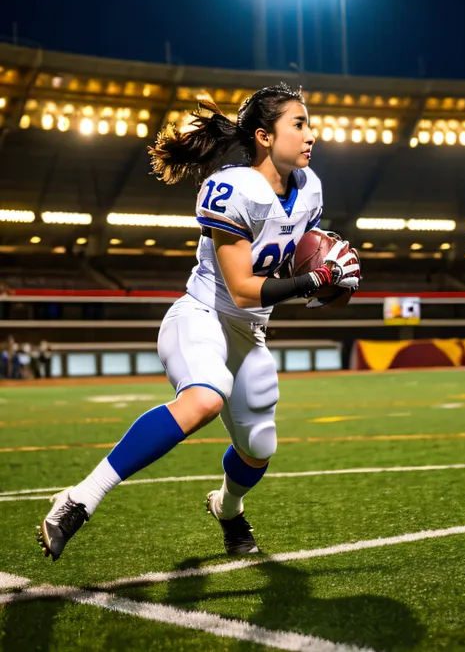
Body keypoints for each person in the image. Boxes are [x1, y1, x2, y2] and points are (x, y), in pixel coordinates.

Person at [37, 83, 360, 561]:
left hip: (249, 333)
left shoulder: (309, 189)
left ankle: (227, 510)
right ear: (264, 136)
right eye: (299, 124)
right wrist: (314, 278)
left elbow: (293, 269)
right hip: (203, 314)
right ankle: (80, 497)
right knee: (204, 399)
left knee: (259, 447)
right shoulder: (234, 187)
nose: (311, 135)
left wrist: (329, 283)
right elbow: (243, 288)